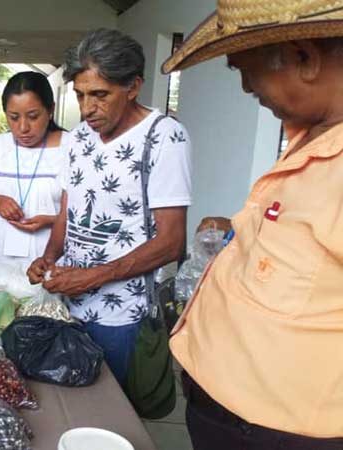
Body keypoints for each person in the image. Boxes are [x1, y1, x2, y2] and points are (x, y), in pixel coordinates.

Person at [162, 2, 343, 448]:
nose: (245, 87)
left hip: (280, 431)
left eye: (246, 69)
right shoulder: (312, 134)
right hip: (227, 412)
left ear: (305, 57)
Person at [28, 29, 192, 385]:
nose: (88, 109)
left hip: (123, 315)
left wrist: (93, 277)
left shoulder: (163, 137)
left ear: (133, 87)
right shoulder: (79, 138)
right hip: (68, 305)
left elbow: (172, 242)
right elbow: (68, 213)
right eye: (81, 95)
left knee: (112, 409)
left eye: (100, 95)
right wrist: (50, 257)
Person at [0, 72, 68, 270]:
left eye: (33, 116)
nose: (23, 127)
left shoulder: (73, 147)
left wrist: (54, 221)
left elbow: (94, 215)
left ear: (50, 110)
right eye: (13, 117)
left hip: (51, 265)